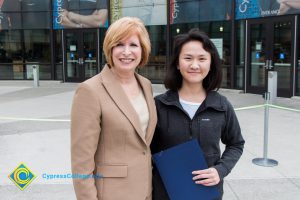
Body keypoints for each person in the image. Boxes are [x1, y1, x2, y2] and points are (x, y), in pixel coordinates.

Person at [151, 29, 245, 200]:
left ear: (211, 64)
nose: (194, 65)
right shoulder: (159, 105)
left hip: (206, 193)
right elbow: (147, 150)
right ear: (178, 63)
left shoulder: (221, 105)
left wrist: (220, 170)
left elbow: (236, 144)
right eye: (188, 58)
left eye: (202, 59)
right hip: (166, 193)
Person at [71, 17, 157, 200]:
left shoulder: (146, 85)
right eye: (119, 44)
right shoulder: (90, 90)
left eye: (133, 45)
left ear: (143, 50)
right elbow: (81, 162)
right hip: (112, 193)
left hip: (145, 190)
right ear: (110, 49)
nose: (126, 52)